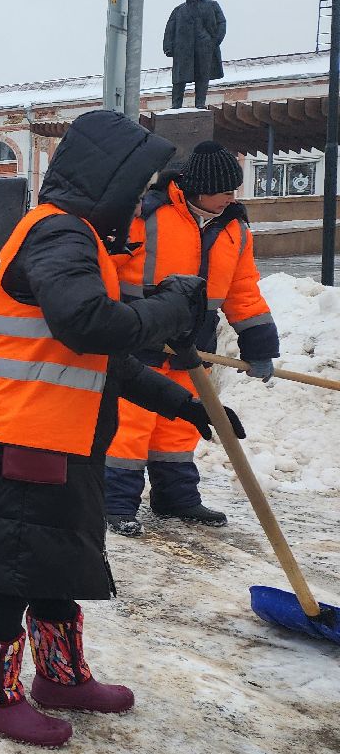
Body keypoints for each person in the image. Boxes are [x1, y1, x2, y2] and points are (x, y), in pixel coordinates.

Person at [0, 109, 244, 748]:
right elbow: (89, 325)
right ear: (107, 179)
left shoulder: (75, 237)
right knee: (12, 566)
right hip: (15, 438)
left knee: (54, 558)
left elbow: (99, 357)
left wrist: (182, 404)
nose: (138, 202)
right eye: (134, 186)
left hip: (54, 437)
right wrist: (169, 306)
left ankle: (60, 676)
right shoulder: (59, 236)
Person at [104, 141, 278, 536]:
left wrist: (260, 347)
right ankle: (114, 503)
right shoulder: (147, 215)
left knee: (179, 427)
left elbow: (243, 290)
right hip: (139, 339)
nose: (234, 197)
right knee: (131, 426)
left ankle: (176, 499)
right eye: (226, 190)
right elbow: (105, 268)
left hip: (193, 346)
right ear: (200, 188)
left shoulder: (235, 229)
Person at [163, 0, 226, 109]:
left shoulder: (212, 5)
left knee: (202, 75)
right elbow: (170, 28)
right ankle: (176, 105)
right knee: (179, 78)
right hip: (183, 48)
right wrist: (168, 47)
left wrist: (214, 42)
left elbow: (221, 23)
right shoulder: (179, 10)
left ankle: (200, 104)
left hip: (204, 46)